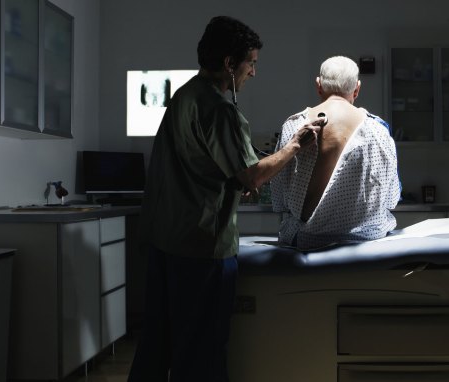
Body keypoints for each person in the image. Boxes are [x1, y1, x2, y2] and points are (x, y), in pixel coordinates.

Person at [128, 16, 321, 381]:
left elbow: (207, 164)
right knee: (201, 351)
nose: (254, 72)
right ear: (230, 64)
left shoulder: (185, 96)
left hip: (163, 241)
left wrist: (240, 175)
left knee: (156, 345)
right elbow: (250, 175)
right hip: (201, 248)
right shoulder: (220, 109)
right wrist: (295, 145)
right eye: (251, 63)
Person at [270, 56, 400, 250]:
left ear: (318, 85)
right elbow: (391, 199)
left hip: (307, 240)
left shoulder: (295, 126)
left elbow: (279, 197)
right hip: (366, 239)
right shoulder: (378, 129)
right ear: (357, 88)